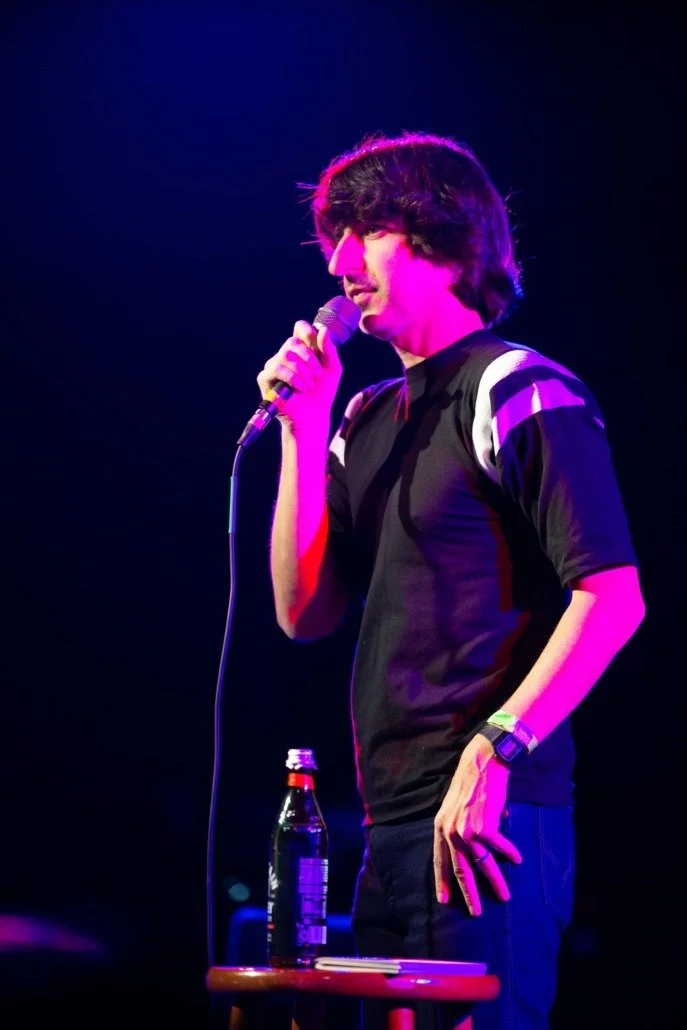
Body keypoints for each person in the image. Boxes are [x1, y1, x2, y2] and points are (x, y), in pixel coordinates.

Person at [256, 131, 645, 1029]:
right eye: (333, 238)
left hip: (492, 813)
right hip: (387, 816)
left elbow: (613, 596)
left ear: (445, 239)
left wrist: (498, 745)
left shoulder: (515, 387)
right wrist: (301, 433)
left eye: (368, 231)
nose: (340, 261)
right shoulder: (365, 414)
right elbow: (302, 612)